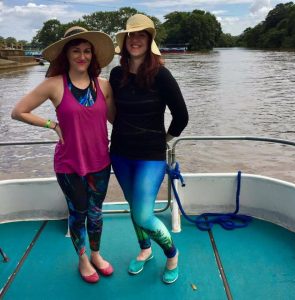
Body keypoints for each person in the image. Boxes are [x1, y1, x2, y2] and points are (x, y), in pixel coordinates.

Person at [11, 26, 115, 284]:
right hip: (69, 163)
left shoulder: (103, 85)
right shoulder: (54, 84)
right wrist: (52, 125)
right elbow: (19, 111)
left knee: (96, 212)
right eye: (76, 51)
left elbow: (116, 119)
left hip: (101, 161)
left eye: (87, 51)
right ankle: (82, 259)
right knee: (78, 211)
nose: (82, 56)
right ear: (66, 55)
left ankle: (96, 254)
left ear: (93, 55)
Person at [109, 14, 189, 284]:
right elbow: (112, 112)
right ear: (125, 40)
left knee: (144, 214)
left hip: (150, 156)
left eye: (141, 35)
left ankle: (172, 255)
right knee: (134, 208)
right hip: (120, 153)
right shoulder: (117, 74)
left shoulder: (161, 75)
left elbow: (182, 116)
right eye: (131, 35)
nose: (135, 39)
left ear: (149, 40)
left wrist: (163, 139)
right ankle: (145, 251)